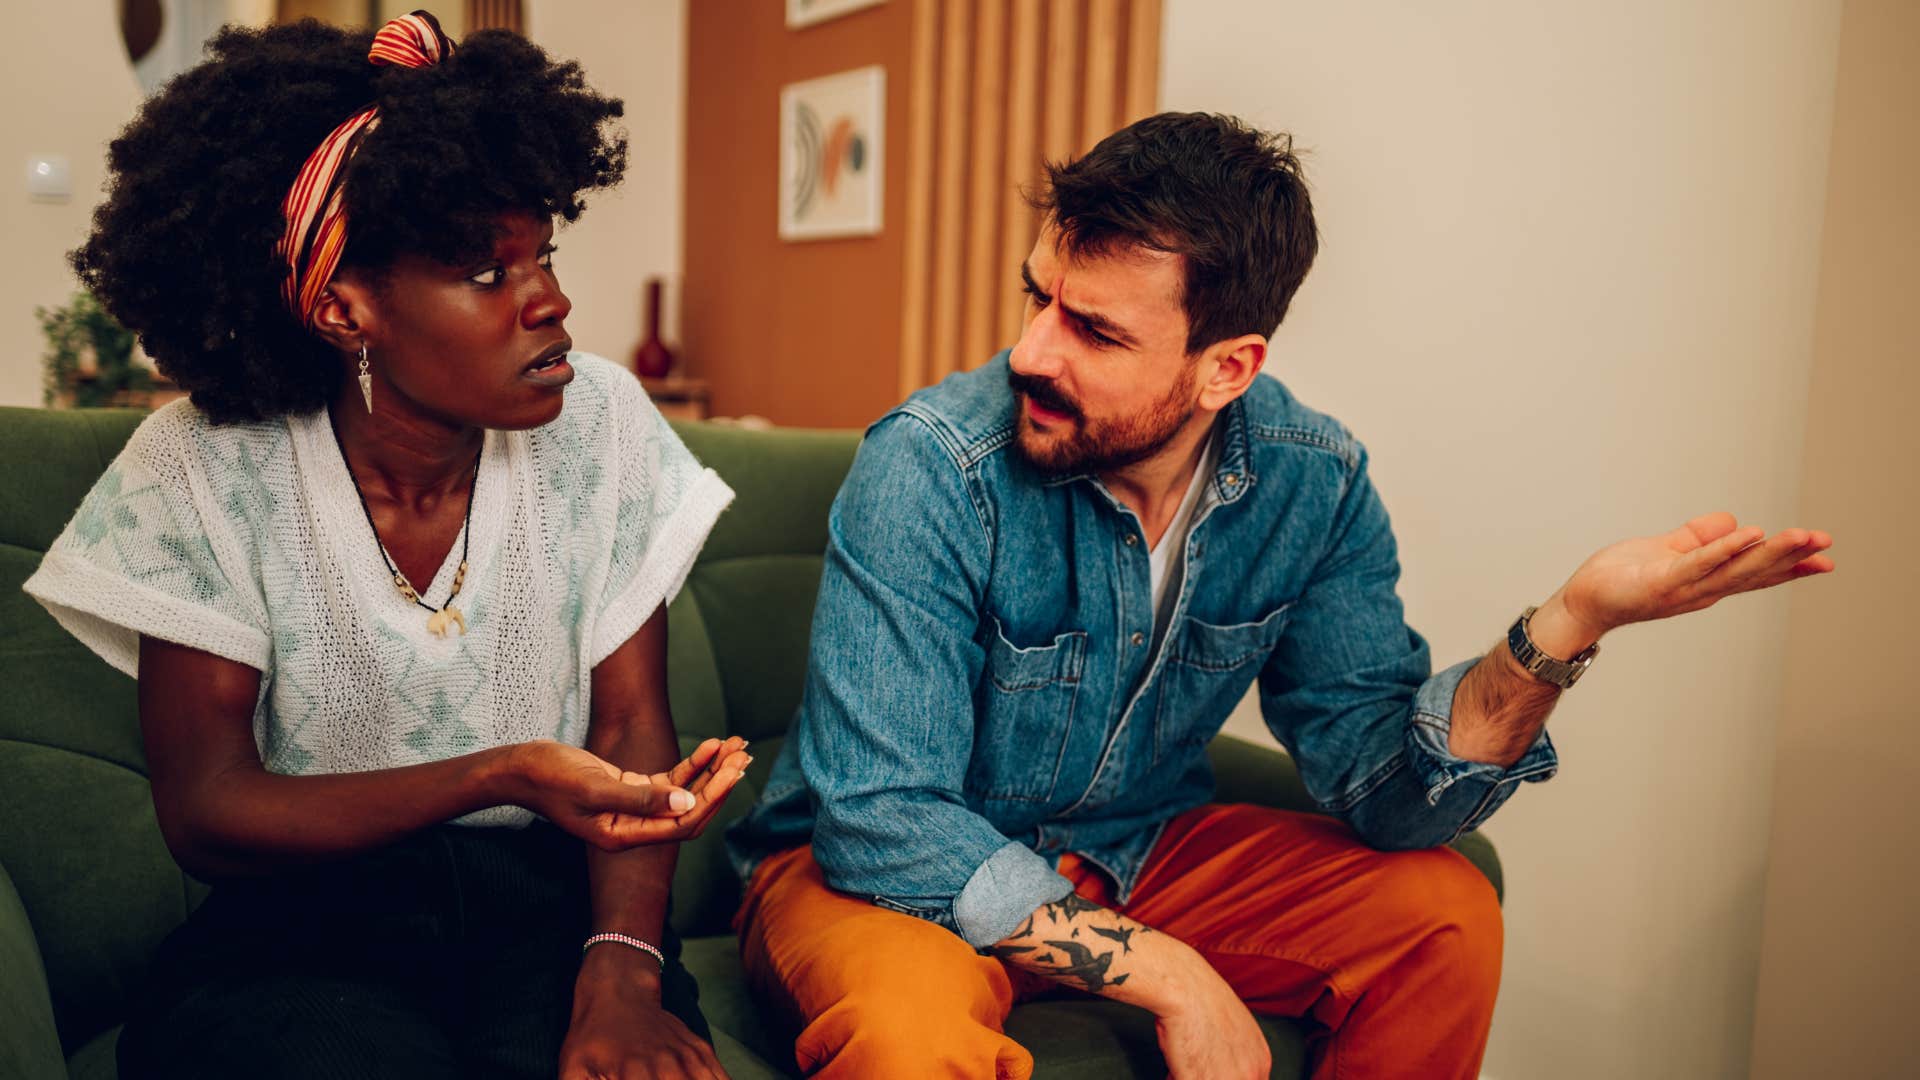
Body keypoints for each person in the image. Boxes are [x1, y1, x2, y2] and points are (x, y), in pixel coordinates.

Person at [726, 111, 1835, 1079]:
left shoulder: (1316, 480)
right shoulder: (932, 466)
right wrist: (1171, 977)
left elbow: (1386, 789)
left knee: (1444, 916)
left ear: (1228, 369)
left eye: (1094, 330)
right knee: (908, 1032)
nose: (1029, 352)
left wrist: (1568, 626)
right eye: (1039, 299)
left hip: (1131, 856)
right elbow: (881, 817)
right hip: (875, 883)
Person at [23, 13, 744, 1079]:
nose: (551, 300)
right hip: (302, 933)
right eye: (486, 273)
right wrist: (499, 771)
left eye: (540, 252)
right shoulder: (206, 467)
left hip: (553, 923)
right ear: (342, 306)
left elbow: (633, 721)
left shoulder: (606, 424)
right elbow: (209, 810)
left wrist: (623, 970)